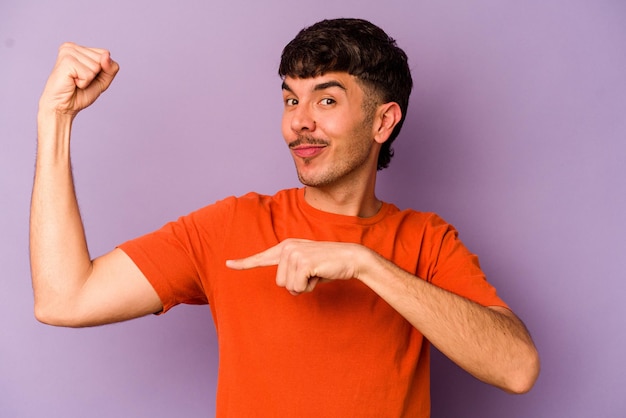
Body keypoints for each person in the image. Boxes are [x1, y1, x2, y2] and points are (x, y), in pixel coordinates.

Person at [31, 18, 539, 417]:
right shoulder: (229, 227)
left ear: (383, 121)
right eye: (291, 98)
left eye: (327, 99)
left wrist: (366, 265)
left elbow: (517, 369)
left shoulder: (426, 241)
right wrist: (55, 118)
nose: (299, 120)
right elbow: (64, 298)